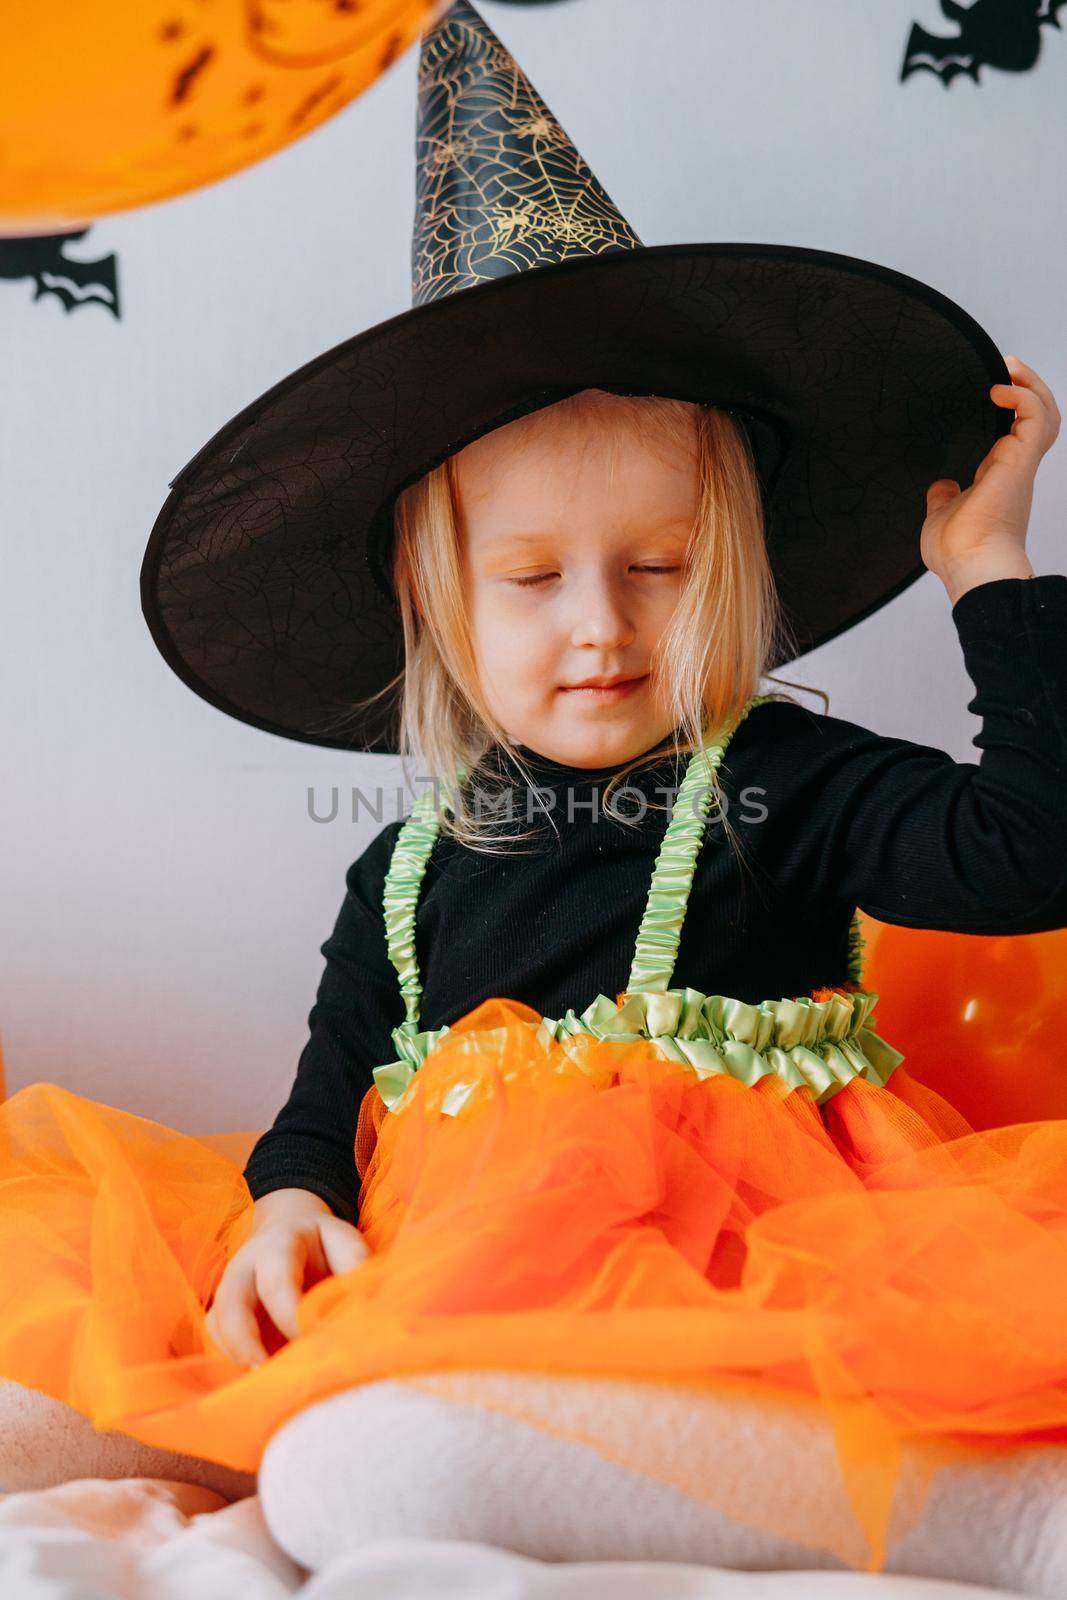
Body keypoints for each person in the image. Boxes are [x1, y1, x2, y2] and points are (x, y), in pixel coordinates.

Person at [3, 0, 1067, 1583]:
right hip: (450, 1276)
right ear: (440, 603)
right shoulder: (410, 866)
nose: (601, 624)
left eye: (658, 567)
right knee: (60, 1391)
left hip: (729, 1301)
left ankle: (974, 1506)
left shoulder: (778, 780)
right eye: (531, 576)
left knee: (350, 1481)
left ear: (735, 573)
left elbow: (1029, 854)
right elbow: (331, 1077)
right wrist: (292, 1198)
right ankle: (343, 1422)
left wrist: (990, 579)